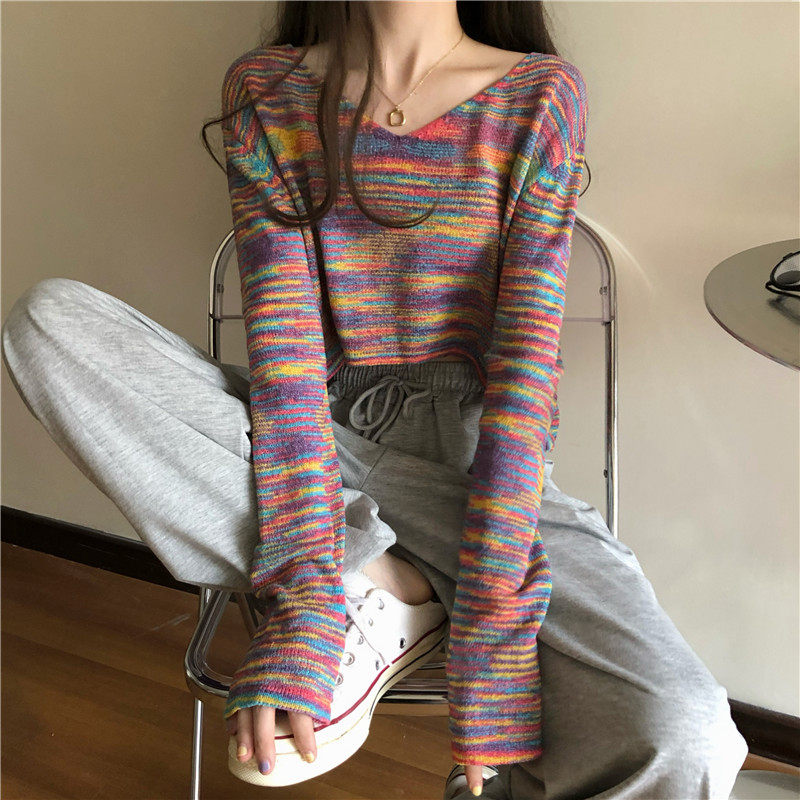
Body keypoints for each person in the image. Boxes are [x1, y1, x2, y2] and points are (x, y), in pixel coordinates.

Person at [1, 2, 750, 798]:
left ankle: (402, 585)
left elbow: (525, 376)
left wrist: (493, 627)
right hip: (314, 443)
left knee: (687, 731)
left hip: (483, 473)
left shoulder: (539, 95)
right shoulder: (268, 90)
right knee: (50, 324)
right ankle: (378, 579)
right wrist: (309, 594)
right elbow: (286, 363)